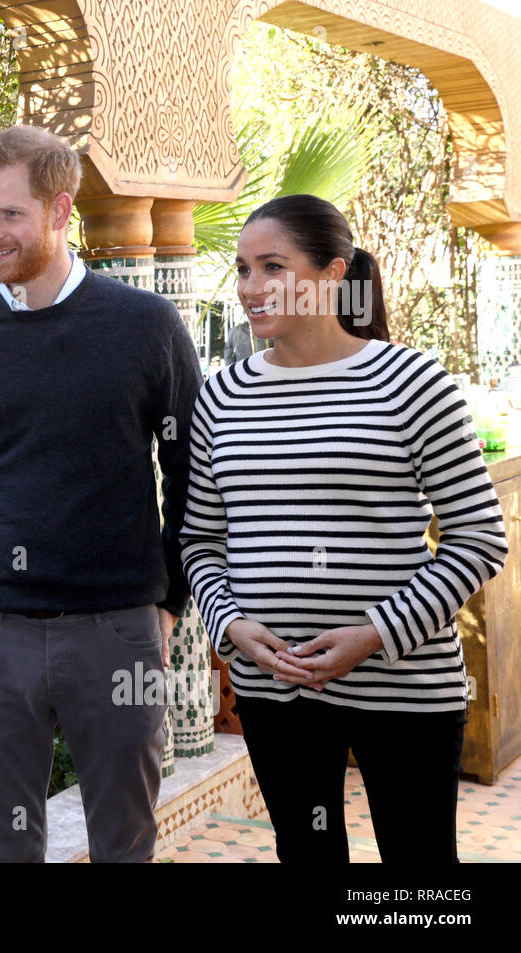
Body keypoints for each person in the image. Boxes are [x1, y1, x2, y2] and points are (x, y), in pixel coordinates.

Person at [180, 193, 507, 863]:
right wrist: (231, 625)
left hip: (406, 688)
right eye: (242, 269)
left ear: (333, 274)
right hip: (276, 689)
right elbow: (201, 541)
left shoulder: (413, 382)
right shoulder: (221, 395)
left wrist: (375, 635)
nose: (251, 288)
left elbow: (479, 537)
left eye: (273, 266)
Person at [0, 125, 203, 862]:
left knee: (125, 839)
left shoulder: (147, 326)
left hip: (118, 630)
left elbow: (192, 466)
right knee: (8, 847)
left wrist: (165, 601)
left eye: (9, 214)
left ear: (60, 210)